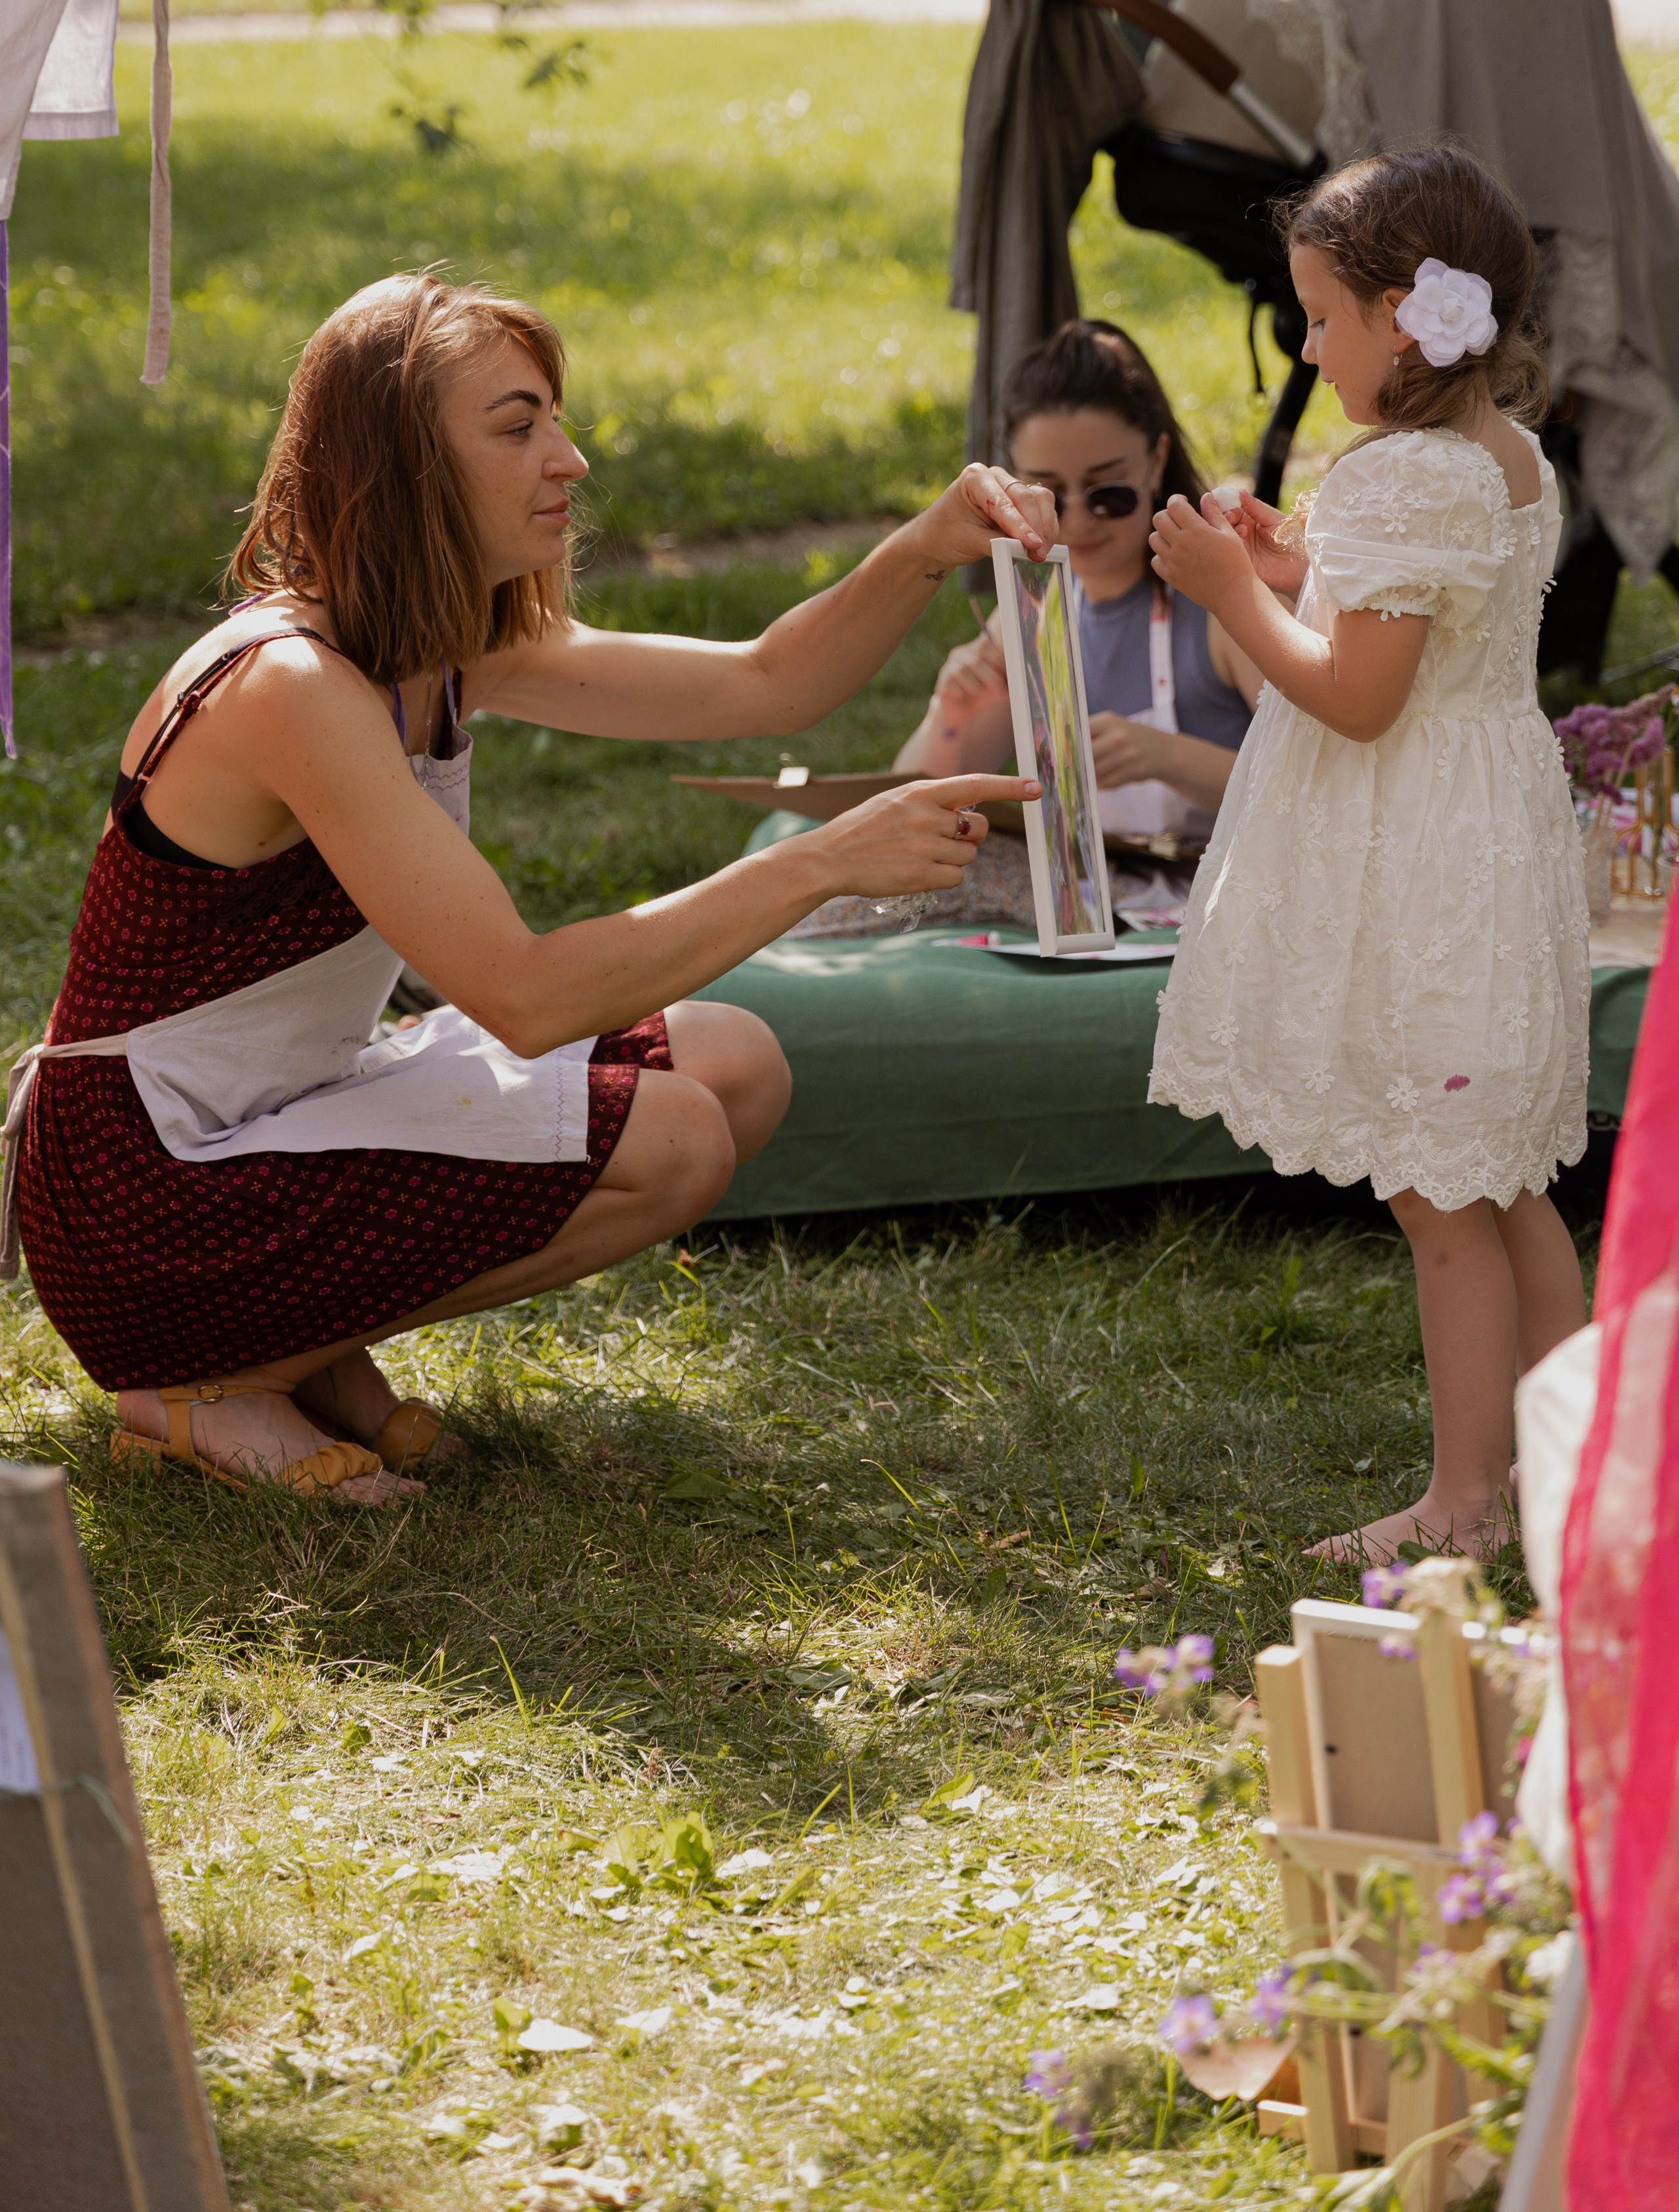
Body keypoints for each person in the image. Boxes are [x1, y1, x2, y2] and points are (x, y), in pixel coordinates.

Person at [7, 274, 1047, 1503]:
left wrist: (923, 545)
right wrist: (819, 859)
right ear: (400, 468)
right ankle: (205, 1380)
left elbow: (767, 685)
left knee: (734, 1064)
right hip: (147, 1192)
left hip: (272, 1118)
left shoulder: (443, 647)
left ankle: (293, 1355)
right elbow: (524, 994)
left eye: (554, 417)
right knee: (672, 1139)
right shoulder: (288, 684)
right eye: (517, 428)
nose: (570, 457)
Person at [1146, 146, 1590, 1563]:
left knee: (1438, 1190)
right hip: (1482, 831)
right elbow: (1409, 618)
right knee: (1499, 1169)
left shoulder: (1405, 475)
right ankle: (1573, 1460)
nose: (1306, 344)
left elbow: (1353, 692)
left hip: (1419, 856)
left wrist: (1225, 589)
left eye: (1322, 317)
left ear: (1405, 315)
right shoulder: (1499, 456)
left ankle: (1461, 1496)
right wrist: (1295, 564)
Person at [892, 320, 1261, 914]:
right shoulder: (1035, 614)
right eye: (1050, 497)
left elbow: (1327, 788)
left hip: (1236, 903)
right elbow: (911, 814)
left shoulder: (1221, 601)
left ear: (1156, 459)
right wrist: (950, 716)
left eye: (1107, 493)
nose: (1082, 521)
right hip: (1094, 913)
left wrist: (1167, 757)